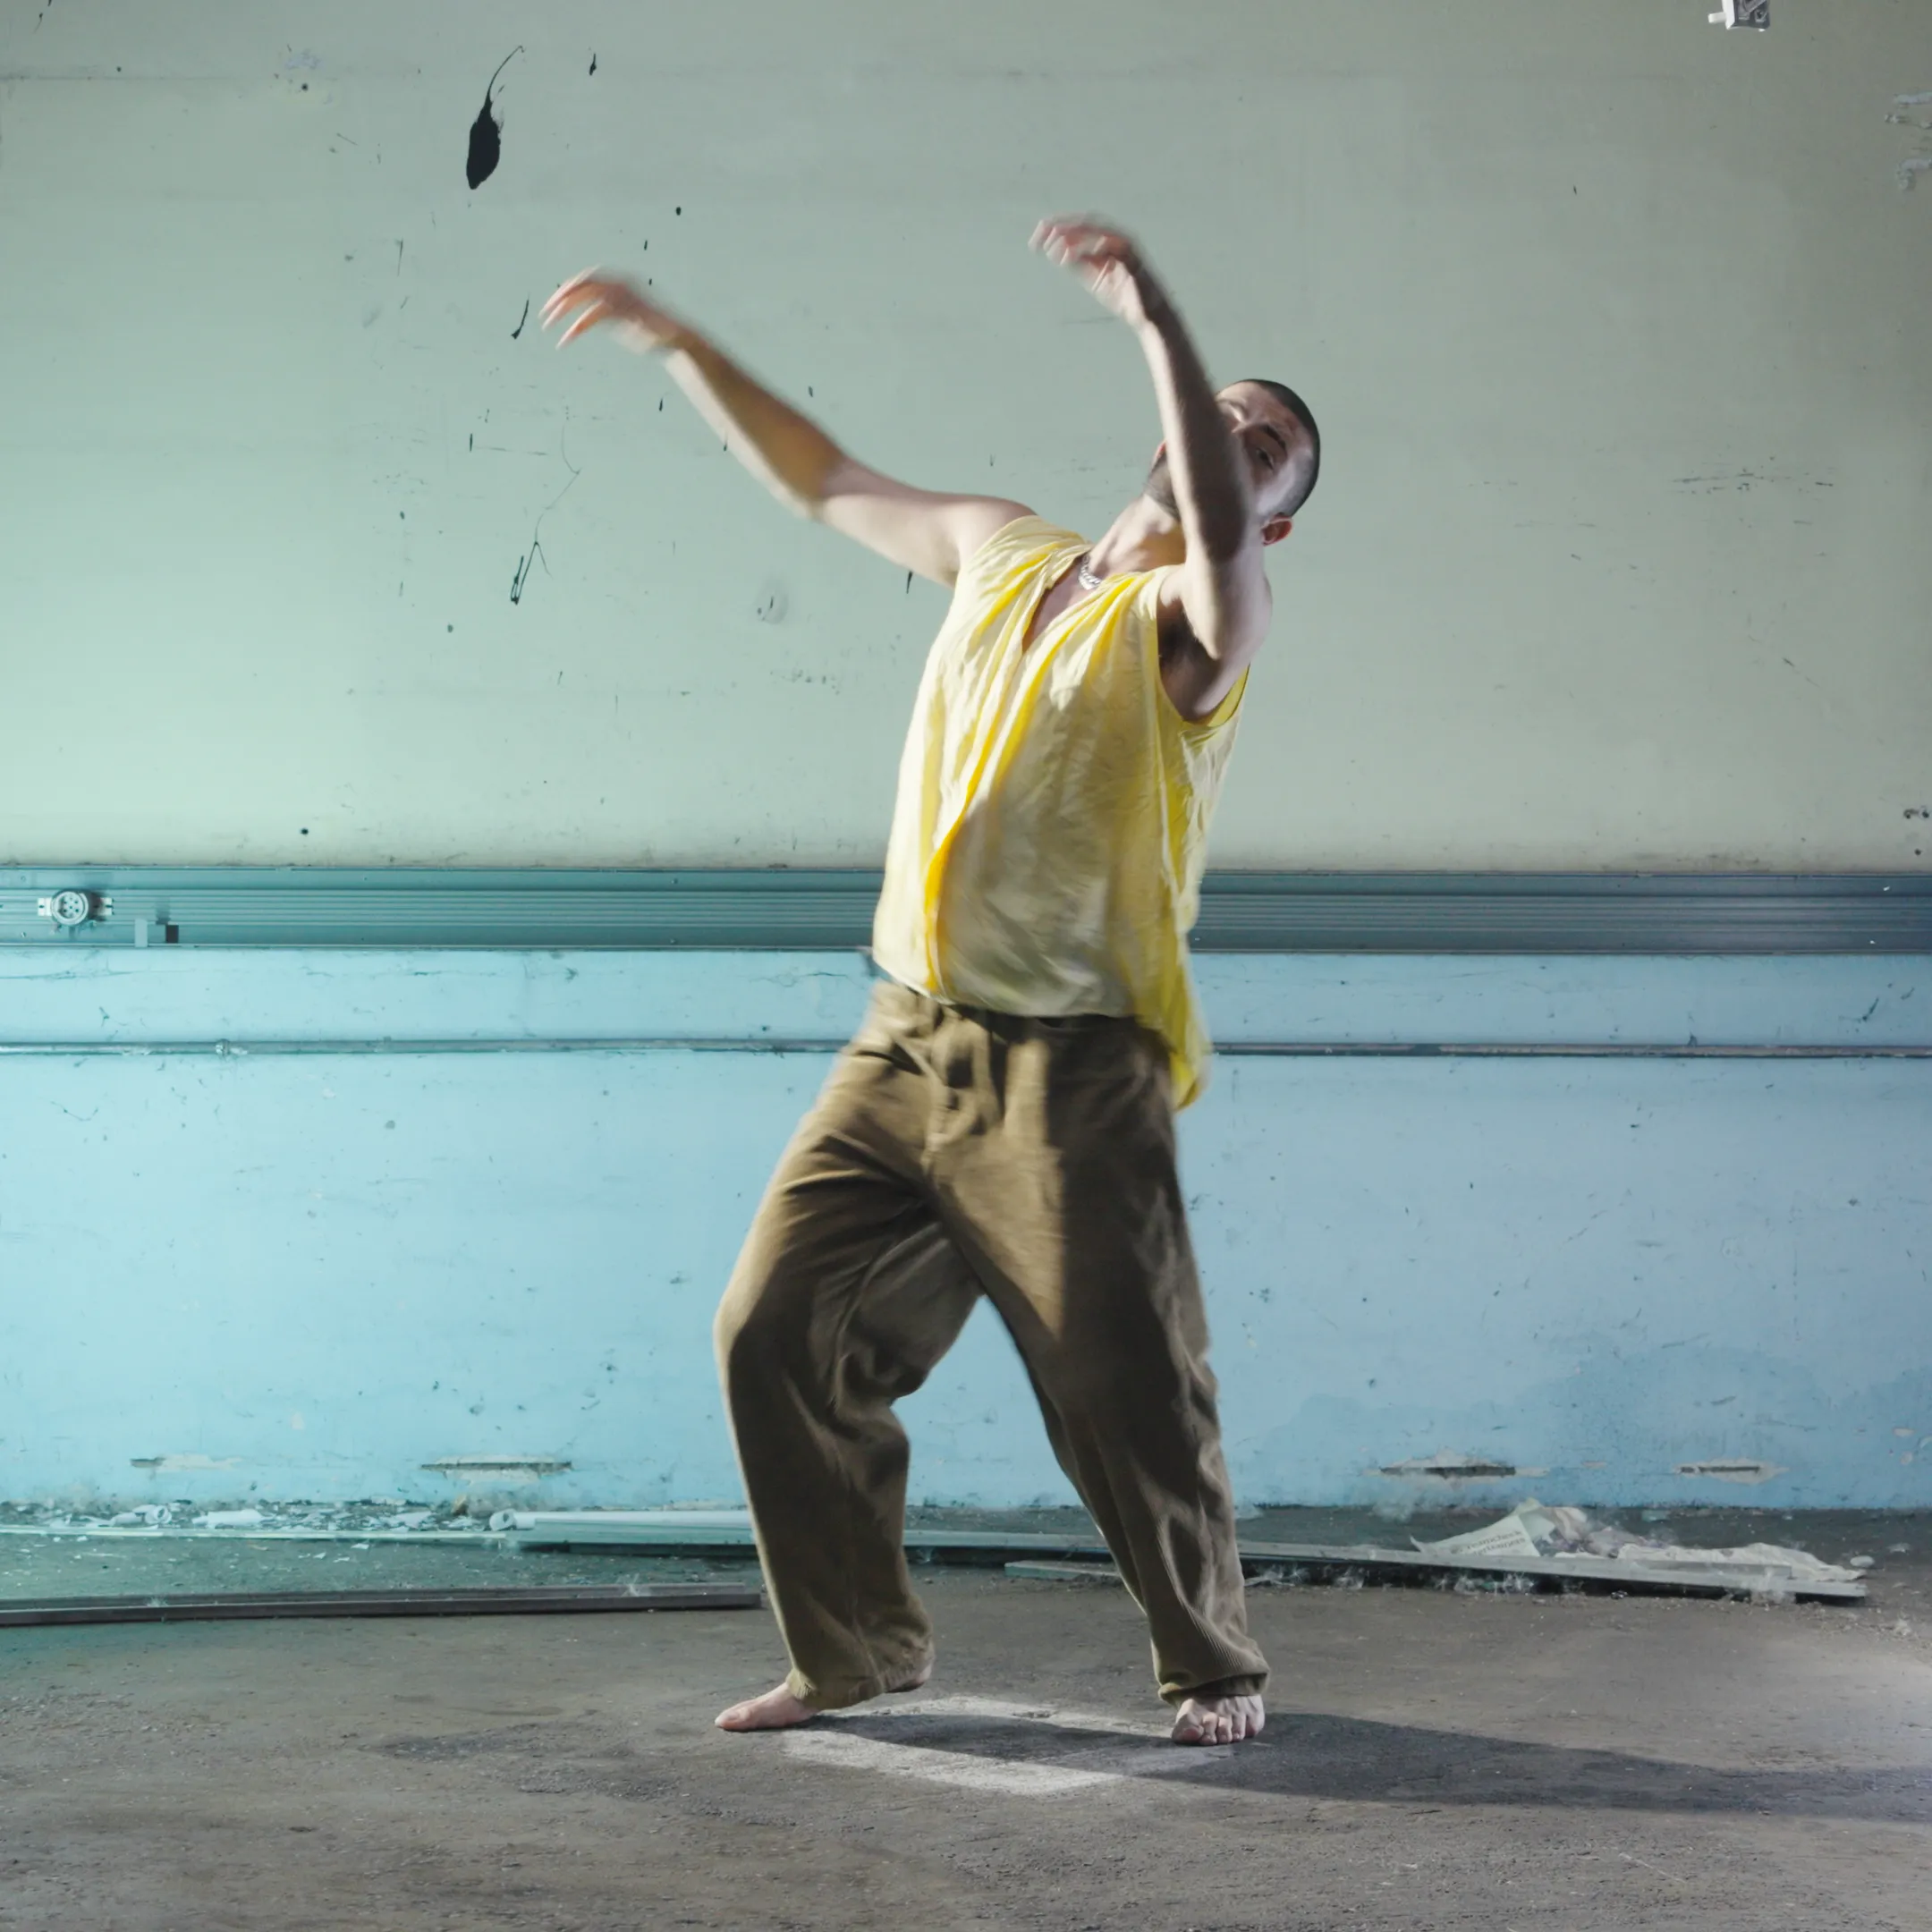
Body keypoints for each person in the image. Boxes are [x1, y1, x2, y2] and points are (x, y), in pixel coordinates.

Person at [542, 217, 1319, 1748]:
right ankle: (857, 1654)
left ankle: (1213, 1660)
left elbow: (1215, 536)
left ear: (1278, 514)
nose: (1237, 434)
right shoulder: (998, 545)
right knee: (773, 1328)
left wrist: (1162, 323)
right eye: (1234, 409)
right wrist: (679, 341)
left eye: (1270, 445)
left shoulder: (1200, 629)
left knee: (1124, 1382)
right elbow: (825, 477)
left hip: (1071, 1071)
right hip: (905, 1040)